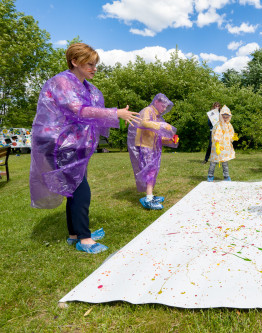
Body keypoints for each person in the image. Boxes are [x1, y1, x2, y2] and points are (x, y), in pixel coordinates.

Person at [29, 43, 141, 254]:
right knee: (81, 188)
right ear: (74, 62)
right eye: (90, 64)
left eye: (95, 64)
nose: (94, 68)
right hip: (59, 143)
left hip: (75, 144)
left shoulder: (87, 88)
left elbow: (91, 111)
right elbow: (77, 110)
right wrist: (115, 113)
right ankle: (84, 238)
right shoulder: (62, 81)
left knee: (74, 188)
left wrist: (112, 114)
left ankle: (75, 235)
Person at [128, 93, 178, 210]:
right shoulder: (147, 110)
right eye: (163, 106)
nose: (164, 109)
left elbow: (158, 136)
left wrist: (170, 140)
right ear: (156, 102)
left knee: (153, 170)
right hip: (145, 145)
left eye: (166, 107)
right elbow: (143, 123)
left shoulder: (157, 117)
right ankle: (149, 198)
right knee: (150, 170)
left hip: (153, 147)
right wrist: (162, 125)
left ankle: (150, 195)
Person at [207, 105, 238, 181]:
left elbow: (231, 133)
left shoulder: (229, 125)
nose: (225, 117)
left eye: (227, 116)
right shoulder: (218, 125)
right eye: (223, 116)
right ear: (220, 116)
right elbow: (215, 135)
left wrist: (233, 138)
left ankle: (226, 176)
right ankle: (210, 176)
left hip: (225, 147)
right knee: (213, 162)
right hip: (217, 147)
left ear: (229, 116)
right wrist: (217, 144)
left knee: (225, 162)